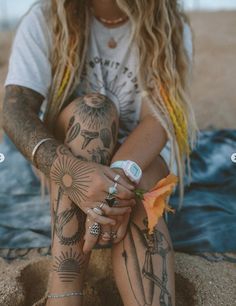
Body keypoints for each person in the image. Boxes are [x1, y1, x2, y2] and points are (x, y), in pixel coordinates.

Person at [2, 0, 198, 305]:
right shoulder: (47, 17)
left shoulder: (168, 22)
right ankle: (63, 290)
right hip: (72, 155)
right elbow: (15, 110)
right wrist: (73, 172)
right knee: (93, 111)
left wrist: (115, 186)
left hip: (141, 157)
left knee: (140, 189)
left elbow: (157, 119)